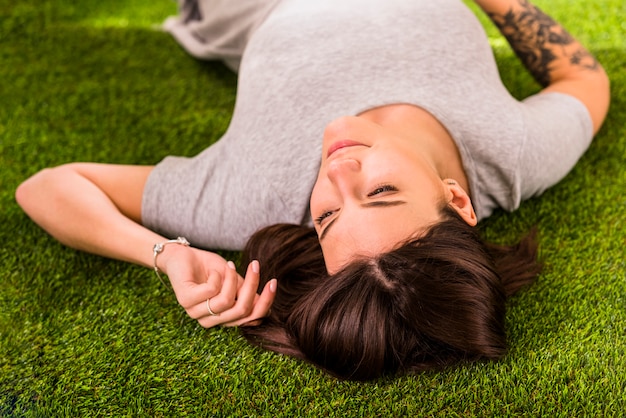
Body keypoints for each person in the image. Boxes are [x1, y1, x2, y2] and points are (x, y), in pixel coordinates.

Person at [15, 0, 609, 380]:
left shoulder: (252, 195)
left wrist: (165, 254)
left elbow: (48, 187)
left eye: (324, 217)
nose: (336, 174)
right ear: (457, 199)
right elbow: (581, 76)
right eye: (380, 193)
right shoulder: (515, 154)